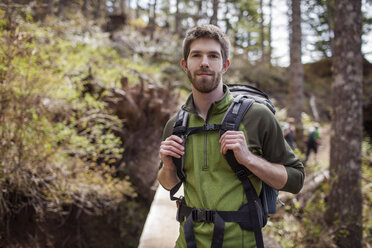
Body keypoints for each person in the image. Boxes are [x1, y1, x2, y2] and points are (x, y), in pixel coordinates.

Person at [158, 24, 304, 248]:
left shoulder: (257, 116)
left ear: (225, 65)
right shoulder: (176, 124)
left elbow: (296, 179)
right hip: (187, 242)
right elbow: (169, 184)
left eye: (213, 56)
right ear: (185, 65)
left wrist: (249, 159)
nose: (204, 62)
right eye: (196, 55)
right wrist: (168, 167)